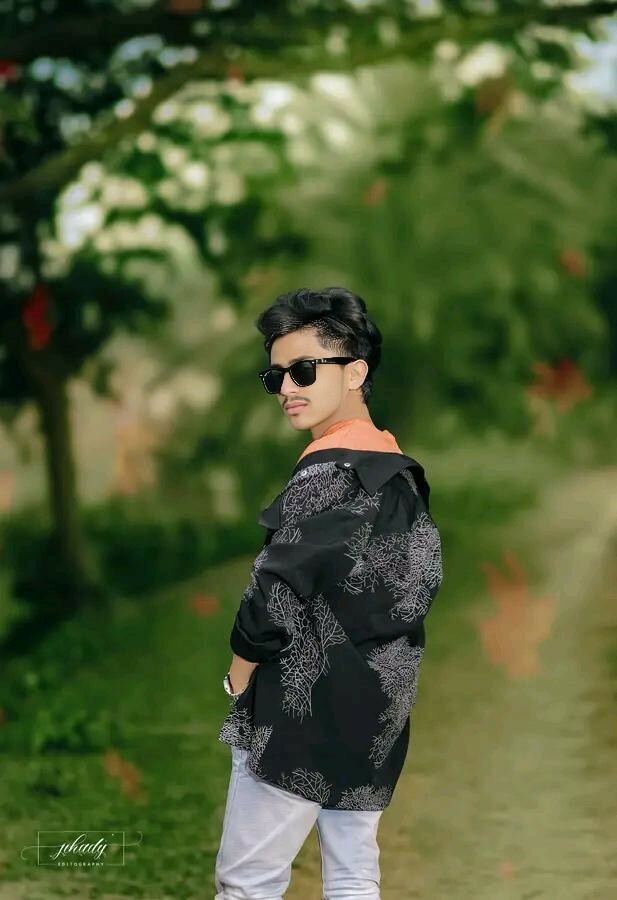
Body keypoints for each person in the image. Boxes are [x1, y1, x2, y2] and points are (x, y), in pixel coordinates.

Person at [215, 287, 443, 899]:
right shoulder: (400, 475)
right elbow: (411, 591)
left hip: (300, 712)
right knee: (352, 874)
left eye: (304, 370)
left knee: (248, 882)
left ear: (356, 372)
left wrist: (238, 680)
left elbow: (272, 596)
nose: (287, 388)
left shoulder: (328, 472)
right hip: (375, 710)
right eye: (276, 376)